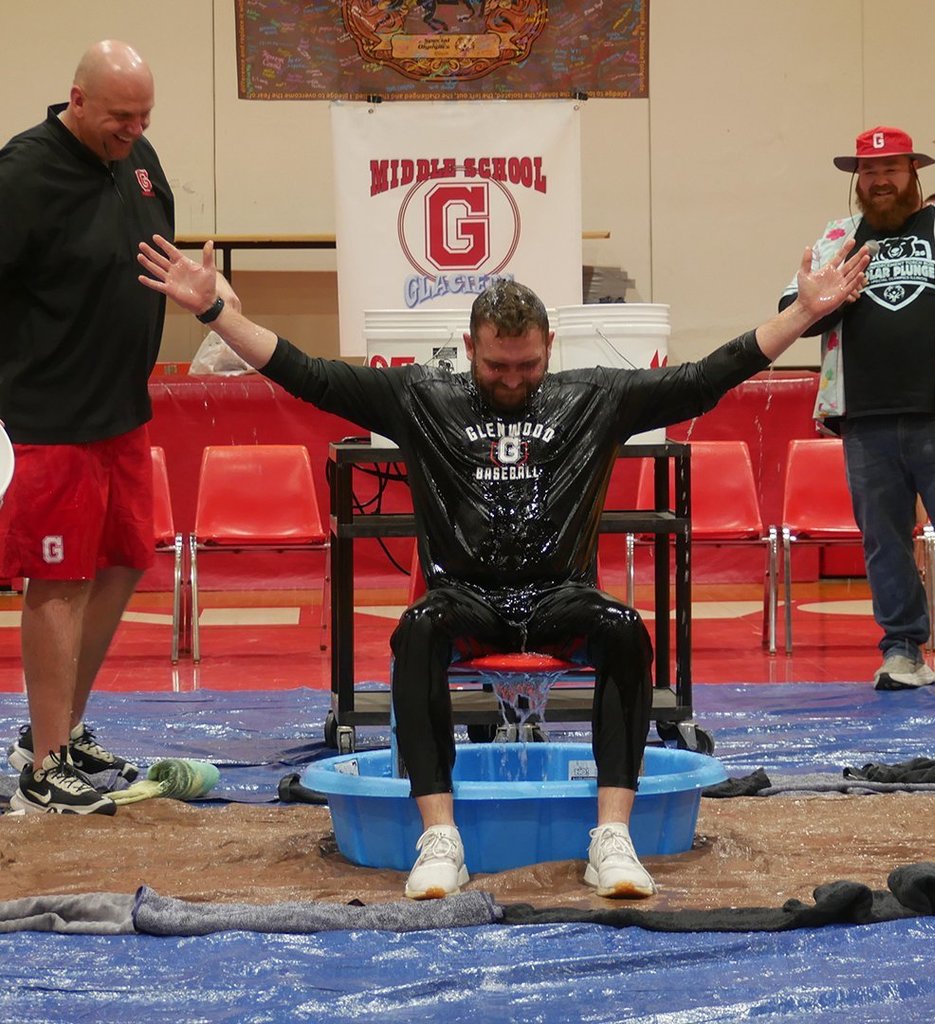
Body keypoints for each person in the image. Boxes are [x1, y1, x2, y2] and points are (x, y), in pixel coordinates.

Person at [138, 232, 870, 899]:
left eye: (527, 365)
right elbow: (307, 374)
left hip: (561, 598)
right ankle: (440, 837)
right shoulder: (423, 396)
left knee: (623, 628)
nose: (513, 379)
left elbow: (708, 377)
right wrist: (213, 315)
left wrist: (803, 315)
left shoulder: (594, 397)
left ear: (551, 345)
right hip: (466, 601)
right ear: (469, 346)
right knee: (417, 629)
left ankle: (611, 836)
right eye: (496, 366)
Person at [0, 41, 238, 815]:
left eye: (144, 116)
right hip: (48, 416)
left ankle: (60, 731)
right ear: (76, 99)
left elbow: (156, 257)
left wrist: (200, 289)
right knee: (59, 579)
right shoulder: (21, 176)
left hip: (123, 409)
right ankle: (42, 772)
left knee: (128, 559)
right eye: (118, 117)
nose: (133, 129)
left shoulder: (141, 159)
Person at [780, 125, 935, 695]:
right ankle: (902, 652)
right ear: (857, 180)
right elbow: (796, 311)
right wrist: (827, 297)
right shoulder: (837, 240)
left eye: (891, 168)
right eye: (869, 171)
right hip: (862, 418)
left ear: (914, 171)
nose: (880, 179)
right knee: (883, 539)